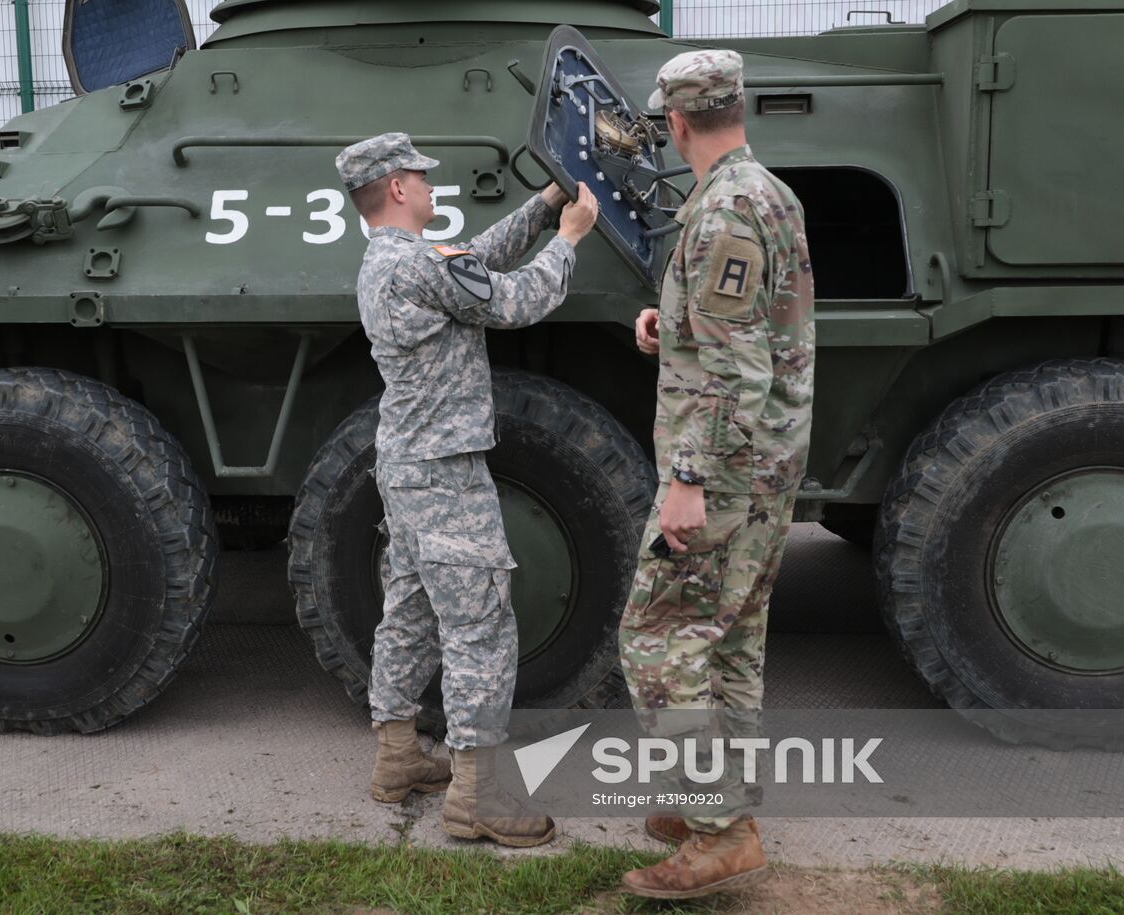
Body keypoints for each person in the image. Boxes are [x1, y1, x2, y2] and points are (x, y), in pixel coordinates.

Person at [335, 132, 598, 847]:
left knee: (412, 608)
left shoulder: (393, 262)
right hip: (445, 471)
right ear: (395, 187)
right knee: (480, 624)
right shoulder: (417, 265)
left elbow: (471, 263)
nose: (429, 185)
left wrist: (543, 204)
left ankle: (396, 759)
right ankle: (476, 797)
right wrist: (569, 238)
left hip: (407, 462)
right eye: (420, 176)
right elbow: (512, 300)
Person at [617, 50, 815, 899]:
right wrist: (680, 323)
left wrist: (688, 478)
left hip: (726, 467)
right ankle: (722, 804)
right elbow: (763, 327)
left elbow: (738, 376)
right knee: (730, 636)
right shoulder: (766, 191)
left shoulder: (721, 212)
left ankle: (718, 831)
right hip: (768, 458)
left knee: (656, 638)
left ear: (677, 122)